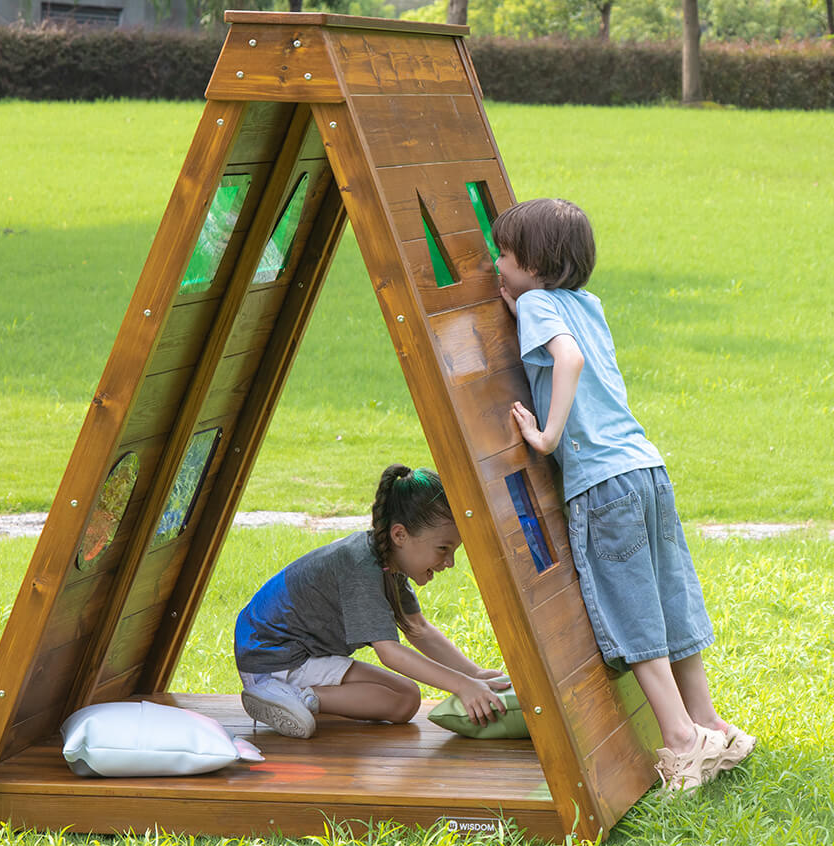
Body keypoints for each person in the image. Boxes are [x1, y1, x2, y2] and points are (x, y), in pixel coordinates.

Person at [491, 197, 755, 793]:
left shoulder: (534, 304)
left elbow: (569, 359)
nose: (496, 264)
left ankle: (682, 742)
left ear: (533, 264)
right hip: (645, 467)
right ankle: (711, 725)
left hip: (602, 481)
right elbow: (577, 347)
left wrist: (546, 435)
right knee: (667, 596)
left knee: (630, 610)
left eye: (504, 254)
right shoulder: (586, 304)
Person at [234, 464, 511, 739]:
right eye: (443, 548)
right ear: (400, 535)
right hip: (275, 656)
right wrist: (462, 685)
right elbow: (389, 653)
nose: (449, 562)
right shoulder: (361, 566)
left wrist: (473, 674)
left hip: (286, 654)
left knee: (405, 698)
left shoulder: (387, 562)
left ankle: (295, 697)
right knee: (404, 698)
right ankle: (287, 696)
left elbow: (418, 629)